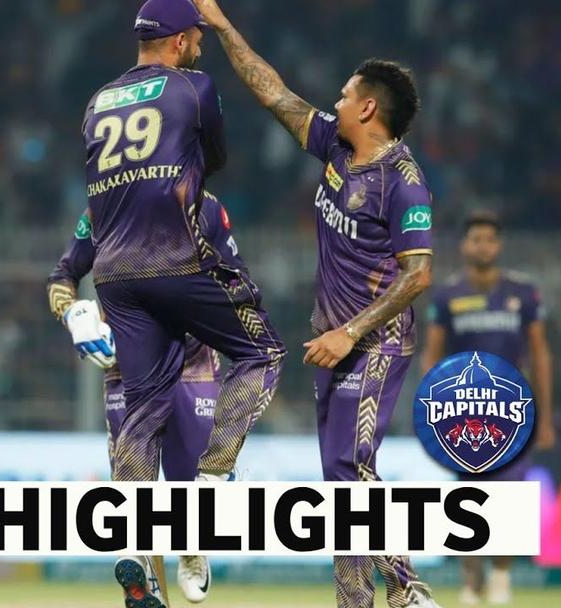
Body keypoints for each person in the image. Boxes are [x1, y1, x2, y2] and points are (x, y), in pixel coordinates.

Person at [191, 2, 440, 606]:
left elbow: (419, 275)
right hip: (333, 342)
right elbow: (274, 94)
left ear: (369, 108)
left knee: (352, 468)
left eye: (346, 94)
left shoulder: (403, 183)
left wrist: (349, 333)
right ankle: (357, 601)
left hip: (373, 344)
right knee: (340, 482)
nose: (336, 100)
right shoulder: (335, 146)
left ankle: (407, 590)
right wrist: (222, 27)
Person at [78, 1, 286, 604]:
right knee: (264, 353)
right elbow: (212, 160)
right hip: (176, 258)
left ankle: (130, 541)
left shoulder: (97, 101)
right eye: (195, 38)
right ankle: (212, 478)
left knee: (141, 408)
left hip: (114, 274)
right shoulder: (195, 87)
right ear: (177, 40)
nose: (198, 47)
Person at [49, 191, 247, 604]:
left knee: (189, 485)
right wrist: (74, 316)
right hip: (127, 365)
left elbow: (235, 280)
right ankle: (147, 586)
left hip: (192, 360)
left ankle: (192, 547)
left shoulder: (203, 205)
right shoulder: (101, 208)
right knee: (135, 495)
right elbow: (62, 276)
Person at [421, 212, 556, 606]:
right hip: (462, 413)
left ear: (499, 245)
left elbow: (540, 354)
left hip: (514, 411)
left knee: (509, 496)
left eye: (490, 240)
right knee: (468, 498)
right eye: (476, 239)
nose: (483, 246)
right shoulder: (448, 295)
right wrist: (431, 412)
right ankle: (470, 582)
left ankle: (500, 576)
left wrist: (546, 418)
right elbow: (431, 357)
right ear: (464, 245)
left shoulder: (523, 292)